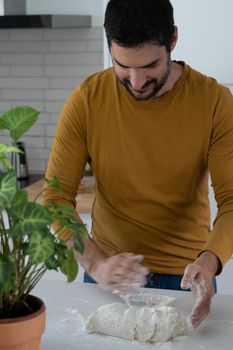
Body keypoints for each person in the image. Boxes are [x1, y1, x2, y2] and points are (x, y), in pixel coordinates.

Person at [43, 0, 233, 328]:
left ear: (172, 40)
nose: (136, 81)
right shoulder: (87, 100)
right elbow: (56, 199)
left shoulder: (215, 102)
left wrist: (210, 260)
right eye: (123, 66)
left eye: (149, 66)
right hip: (107, 277)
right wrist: (97, 263)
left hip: (187, 277)